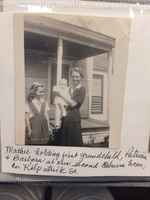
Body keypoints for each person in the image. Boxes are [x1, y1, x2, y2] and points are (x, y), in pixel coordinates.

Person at [56, 67, 86, 147]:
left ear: (81, 77)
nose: (74, 78)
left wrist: (61, 95)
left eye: (77, 76)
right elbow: (59, 99)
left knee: (74, 142)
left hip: (74, 119)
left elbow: (73, 104)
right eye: (73, 76)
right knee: (64, 142)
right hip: (65, 118)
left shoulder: (81, 89)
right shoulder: (68, 88)